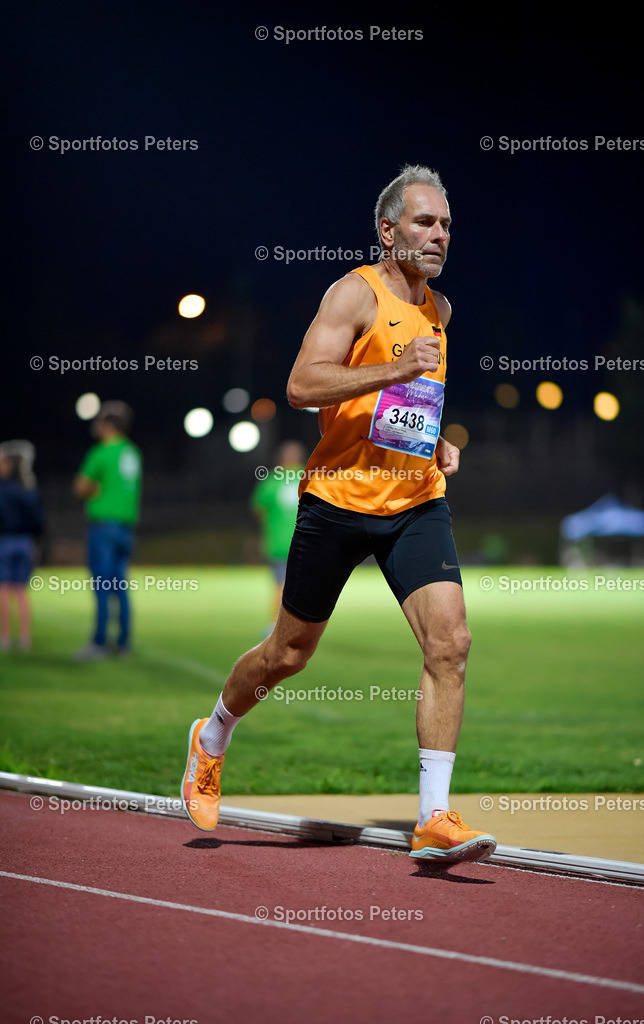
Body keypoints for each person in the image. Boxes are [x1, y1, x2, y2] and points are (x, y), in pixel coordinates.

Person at [182, 165, 497, 862]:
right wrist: (395, 368)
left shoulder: (440, 310)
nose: (439, 235)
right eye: (424, 222)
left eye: (446, 224)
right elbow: (301, 385)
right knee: (287, 654)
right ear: (388, 230)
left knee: (451, 643)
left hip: (415, 501)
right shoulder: (353, 293)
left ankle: (434, 817)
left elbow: (409, 404)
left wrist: (436, 440)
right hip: (338, 500)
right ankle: (214, 734)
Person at [73, 401, 142, 660]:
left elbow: (81, 487)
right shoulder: (132, 452)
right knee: (120, 586)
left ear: (108, 424)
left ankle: (99, 643)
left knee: (102, 586)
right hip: (126, 528)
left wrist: (95, 489)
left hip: (103, 527)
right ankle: (123, 643)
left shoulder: (101, 452)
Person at [250, 440, 306, 633]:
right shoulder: (309, 478)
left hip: (279, 543)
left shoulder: (272, 481)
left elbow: (258, 509)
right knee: (304, 586)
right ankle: (300, 625)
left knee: (281, 585)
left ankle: (276, 625)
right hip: (307, 542)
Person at [0, 441, 44, 652]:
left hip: (5, 541)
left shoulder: (3, 489)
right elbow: (39, 520)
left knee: (3, 590)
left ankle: (5, 637)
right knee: (21, 591)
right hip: (26, 542)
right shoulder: (29, 489)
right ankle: (25, 638)